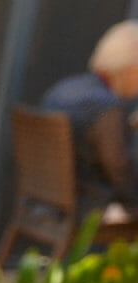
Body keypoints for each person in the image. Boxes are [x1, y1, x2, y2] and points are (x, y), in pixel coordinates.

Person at [42, 20, 138, 218]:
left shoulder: (64, 89)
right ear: (131, 69)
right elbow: (121, 173)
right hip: (89, 206)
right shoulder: (108, 108)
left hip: (46, 200)